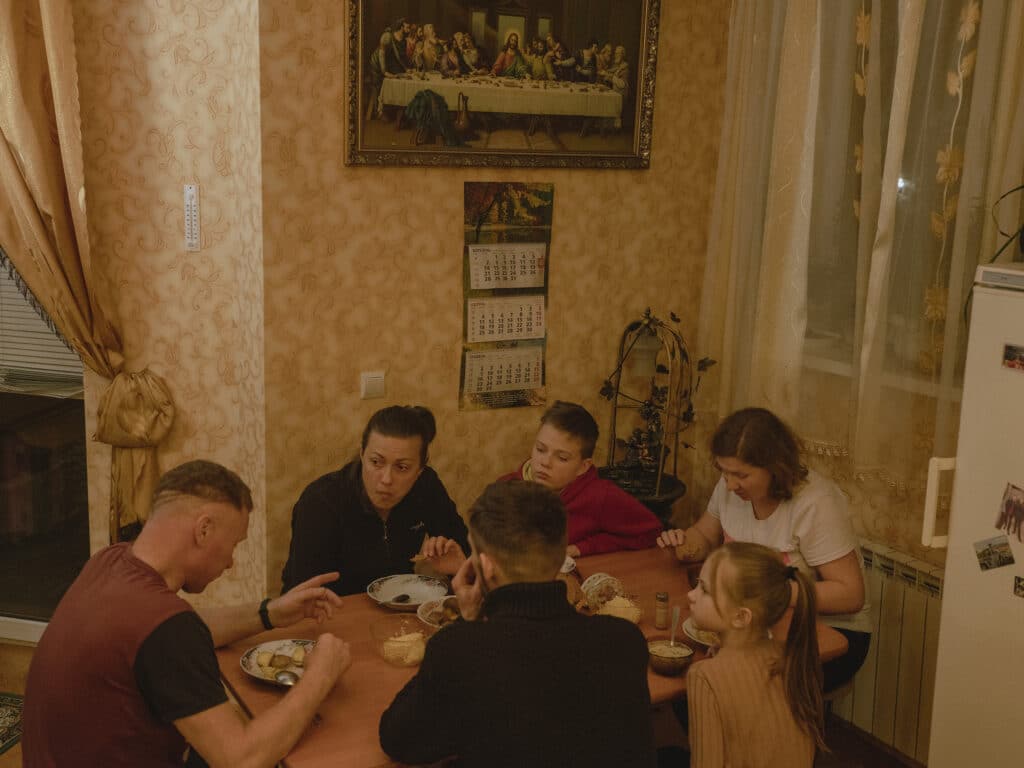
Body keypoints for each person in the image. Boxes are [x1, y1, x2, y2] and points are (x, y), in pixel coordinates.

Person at [22, 460, 351, 768]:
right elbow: (241, 758)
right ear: (204, 530)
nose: (230, 563)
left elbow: (178, 632)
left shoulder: (112, 561)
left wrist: (269, 613)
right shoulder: (166, 628)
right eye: (234, 545)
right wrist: (320, 674)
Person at [379, 480, 657, 767]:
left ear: (484, 567)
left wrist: (466, 621)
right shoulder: (624, 639)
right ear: (560, 554)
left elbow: (398, 740)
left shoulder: (458, 649)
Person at [657, 407, 871, 691]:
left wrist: (764, 592)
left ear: (775, 468)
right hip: (757, 620)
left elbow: (850, 594)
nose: (730, 484)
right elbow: (704, 537)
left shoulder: (816, 503)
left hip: (827, 630)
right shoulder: (730, 486)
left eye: (741, 475)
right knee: (693, 674)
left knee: (728, 683)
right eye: (724, 472)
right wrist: (682, 544)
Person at [281, 405, 469, 596]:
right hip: (334, 611)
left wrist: (460, 569)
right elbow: (301, 596)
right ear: (362, 454)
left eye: (402, 467)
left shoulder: (427, 487)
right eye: (376, 462)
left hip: (399, 609)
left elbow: (466, 558)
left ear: (420, 470)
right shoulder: (321, 502)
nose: (386, 479)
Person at [686, 542, 826, 767]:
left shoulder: (703, 676)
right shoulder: (789, 656)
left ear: (741, 617)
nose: (691, 595)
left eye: (704, 589)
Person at [499, 400, 663, 557]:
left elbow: (649, 533)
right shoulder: (506, 488)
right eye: (540, 449)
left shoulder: (600, 496)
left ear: (583, 466)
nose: (545, 462)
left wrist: (583, 548)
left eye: (562, 458)